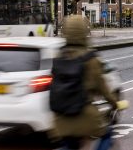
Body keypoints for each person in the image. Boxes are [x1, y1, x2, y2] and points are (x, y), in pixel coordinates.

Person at [51, 15, 121, 150]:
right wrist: (114, 103)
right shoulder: (90, 58)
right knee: (107, 134)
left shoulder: (58, 56)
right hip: (84, 115)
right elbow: (103, 89)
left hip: (59, 119)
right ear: (84, 32)